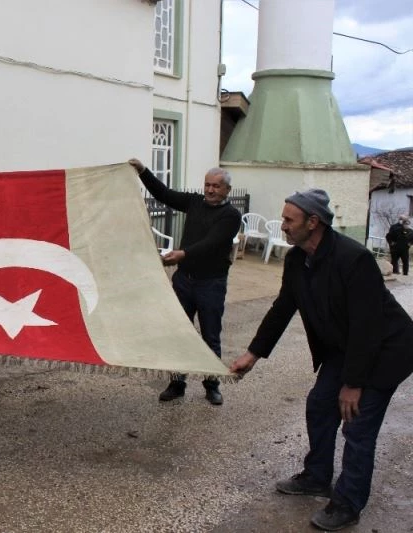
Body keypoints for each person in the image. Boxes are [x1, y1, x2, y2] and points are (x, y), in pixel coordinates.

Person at [230, 189, 413, 531]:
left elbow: (366, 325)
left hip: (385, 350)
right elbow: (283, 307)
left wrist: (354, 384)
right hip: (346, 348)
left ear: (313, 222)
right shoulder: (298, 258)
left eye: (288, 220)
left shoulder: (353, 259)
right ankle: (316, 476)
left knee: (356, 426)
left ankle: (347, 503)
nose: (282, 226)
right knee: (319, 405)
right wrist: (253, 354)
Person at [128, 158, 241, 405]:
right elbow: (164, 194)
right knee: (179, 333)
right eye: (207, 185)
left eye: (216, 186)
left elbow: (212, 243)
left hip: (211, 284)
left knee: (210, 335)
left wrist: (183, 253)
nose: (210, 190)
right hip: (183, 281)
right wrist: (143, 171)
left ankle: (212, 384)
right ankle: (177, 383)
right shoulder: (194, 202)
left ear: (227, 190)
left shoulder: (231, 216)